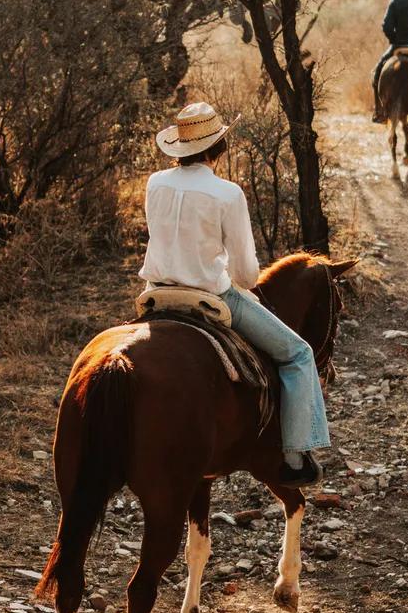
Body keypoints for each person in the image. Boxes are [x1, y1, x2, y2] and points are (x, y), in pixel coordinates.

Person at [140, 101, 335, 487]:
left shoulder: (154, 183)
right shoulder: (227, 193)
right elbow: (246, 274)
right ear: (219, 148)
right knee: (298, 353)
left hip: (156, 294)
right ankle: (296, 454)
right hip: (210, 298)